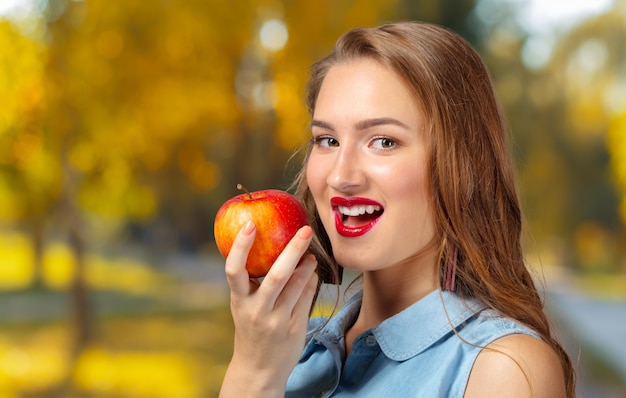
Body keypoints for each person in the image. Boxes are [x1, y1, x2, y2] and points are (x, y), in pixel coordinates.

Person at [219, 21, 575, 397]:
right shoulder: (289, 353)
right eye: (327, 140)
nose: (341, 176)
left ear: (461, 165)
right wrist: (252, 371)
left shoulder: (505, 369)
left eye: (383, 141)